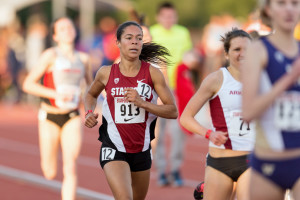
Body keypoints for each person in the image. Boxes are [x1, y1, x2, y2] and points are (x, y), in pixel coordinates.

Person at [84, 21, 178, 200]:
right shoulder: (106, 73)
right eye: (129, 38)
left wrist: (143, 103)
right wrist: (89, 113)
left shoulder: (153, 73)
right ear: (118, 42)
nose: (135, 42)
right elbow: (90, 95)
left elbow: (173, 111)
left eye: (139, 38)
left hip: (141, 149)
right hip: (113, 146)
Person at [22, 17, 93, 200]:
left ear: (75, 31)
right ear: (55, 35)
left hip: (72, 116)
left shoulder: (84, 59)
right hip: (49, 117)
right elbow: (28, 84)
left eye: (70, 27)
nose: (67, 30)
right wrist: (56, 95)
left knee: (70, 165)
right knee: (50, 171)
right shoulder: (50, 55)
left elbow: (91, 89)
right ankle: (49, 167)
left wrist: (92, 107)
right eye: (62, 28)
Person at [180, 28, 255, 200]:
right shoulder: (216, 79)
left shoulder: (263, 80)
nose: (242, 54)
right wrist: (209, 133)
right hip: (220, 161)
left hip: (251, 160)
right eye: (237, 49)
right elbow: (185, 117)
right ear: (227, 54)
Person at [242, 0, 300, 199]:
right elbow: (248, 113)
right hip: (268, 164)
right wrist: (290, 79)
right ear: (269, 9)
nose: (289, 9)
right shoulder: (258, 51)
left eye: (295, 3)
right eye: (282, 3)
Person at [150, 1, 192, 186]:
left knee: (178, 132)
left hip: (177, 90)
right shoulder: (152, 32)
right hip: (156, 88)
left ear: (175, 17)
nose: (168, 19)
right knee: (157, 132)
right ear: (159, 17)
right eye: (165, 16)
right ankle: (160, 169)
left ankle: (175, 169)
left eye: (171, 16)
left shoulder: (183, 33)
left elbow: (189, 57)